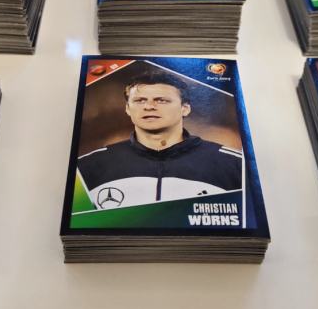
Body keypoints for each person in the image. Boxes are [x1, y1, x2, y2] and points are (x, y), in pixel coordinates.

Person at [77, 70, 242, 209]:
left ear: (185, 109)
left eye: (161, 100)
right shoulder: (88, 166)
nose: (149, 106)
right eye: (140, 100)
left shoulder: (234, 165)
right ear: (127, 109)